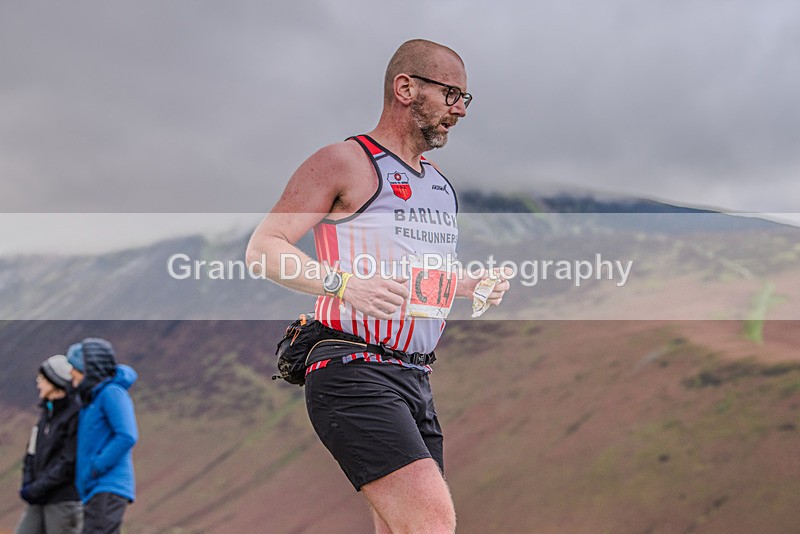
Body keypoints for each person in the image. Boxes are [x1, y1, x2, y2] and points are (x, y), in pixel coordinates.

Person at [247, 39, 510, 533]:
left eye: (465, 99)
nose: (460, 110)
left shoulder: (440, 185)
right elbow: (264, 249)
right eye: (451, 94)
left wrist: (468, 285)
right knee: (431, 523)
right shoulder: (345, 161)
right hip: (352, 368)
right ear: (406, 88)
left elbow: (416, 284)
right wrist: (341, 284)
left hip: (415, 378)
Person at [66, 338, 138, 534]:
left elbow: (127, 435)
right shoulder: (92, 400)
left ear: (87, 370)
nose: (73, 382)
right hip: (95, 489)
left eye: (75, 375)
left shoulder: (111, 393)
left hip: (107, 485)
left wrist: (96, 468)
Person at [16, 355, 83, 534]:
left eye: (42, 379)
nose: (38, 384)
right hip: (38, 499)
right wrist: (29, 484)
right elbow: (31, 454)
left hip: (62, 500)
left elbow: (68, 461)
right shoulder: (46, 415)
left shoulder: (74, 414)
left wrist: (37, 487)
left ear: (55, 381)